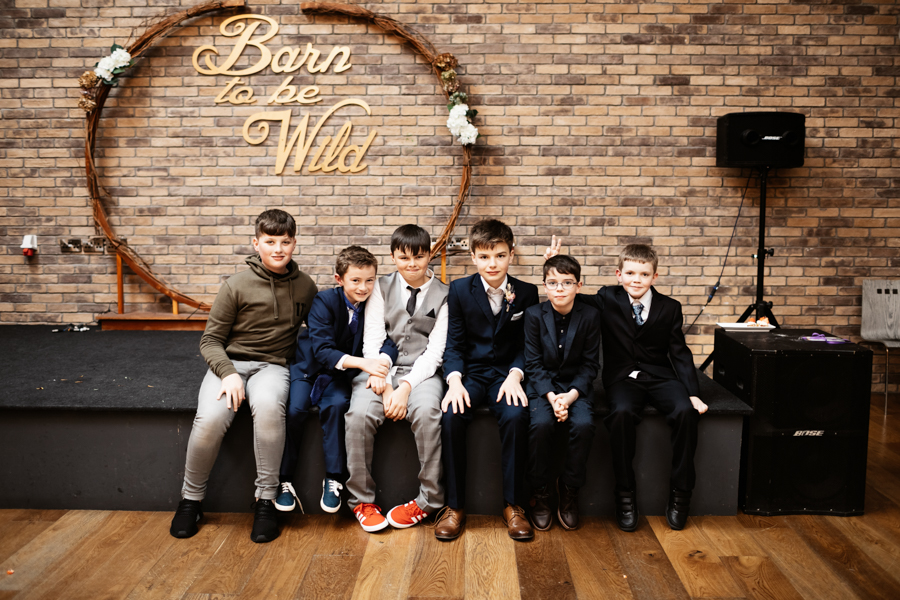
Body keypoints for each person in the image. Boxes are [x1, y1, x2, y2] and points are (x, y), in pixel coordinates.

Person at [170, 209, 317, 543]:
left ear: (294, 244)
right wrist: (228, 374)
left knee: (268, 409)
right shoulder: (235, 285)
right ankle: (191, 500)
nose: (278, 249)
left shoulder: (306, 286)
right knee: (209, 419)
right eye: (270, 242)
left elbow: (320, 330)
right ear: (256, 243)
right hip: (230, 365)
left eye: (285, 242)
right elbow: (210, 341)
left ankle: (265, 501)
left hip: (272, 366)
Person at [545, 239, 708, 531]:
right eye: (630, 273)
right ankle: (625, 494)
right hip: (622, 378)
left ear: (654, 276)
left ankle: (681, 492)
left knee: (685, 412)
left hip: (661, 376)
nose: (637, 280)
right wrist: (556, 268)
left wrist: (693, 393)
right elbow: (568, 295)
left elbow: (679, 352)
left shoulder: (670, 307)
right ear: (619, 274)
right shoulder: (607, 297)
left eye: (644, 274)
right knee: (619, 414)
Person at [274, 246, 399, 515]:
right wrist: (365, 364)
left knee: (338, 405)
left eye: (369, 280)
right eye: (355, 280)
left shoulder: (376, 304)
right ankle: (283, 479)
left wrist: (382, 363)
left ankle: (333, 478)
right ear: (339, 279)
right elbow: (322, 350)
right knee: (295, 410)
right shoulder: (324, 301)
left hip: (341, 374)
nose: (363, 287)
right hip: (310, 368)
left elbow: (390, 339)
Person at [436, 219, 540, 541]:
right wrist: (454, 381)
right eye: (484, 257)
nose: (492, 264)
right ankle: (455, 507)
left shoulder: (527, 292)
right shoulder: (459, 290)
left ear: (511, 254)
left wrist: (516, 375)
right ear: (473, 256)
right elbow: (454, 343)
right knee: (451, 416)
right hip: (470, 373)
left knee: (517, 415)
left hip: (507, 375)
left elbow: (527, 345)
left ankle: (514, 505)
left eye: (499, 255)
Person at [344, 224, 449, 532]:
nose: (412, 264)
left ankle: (429, 499)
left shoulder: (445, 294)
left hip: (423, 373)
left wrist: (404, 388)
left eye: (419, 257)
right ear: (393, 257)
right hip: (380, 367)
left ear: (429, 255)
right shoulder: (380, 286)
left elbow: (435, 352)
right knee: (358, 415)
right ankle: (362, 501)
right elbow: (373, 339)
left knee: (428, 413)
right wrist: (386, 383)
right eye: (404, 257)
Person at [524, 254, 600, 531]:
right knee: (540, 425)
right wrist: (551, 397)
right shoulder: (534, 314)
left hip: (576, 388)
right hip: (542, 387)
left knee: (584, 425)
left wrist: (569, 397)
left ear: (579, 285)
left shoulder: (590, 315)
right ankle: (541, 491)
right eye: (553, 283)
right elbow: (533, 363)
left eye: (567, 283)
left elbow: (591, 364)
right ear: (544, 286)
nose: (559, 289)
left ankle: (569, 489)